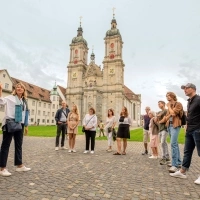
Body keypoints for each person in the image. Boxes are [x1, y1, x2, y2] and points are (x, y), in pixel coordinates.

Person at [170, 83, 200, 184]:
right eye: (184, 89)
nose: (185, 90)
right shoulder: (189, 101)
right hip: (190, 130)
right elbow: (190, 115)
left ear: (193, 89)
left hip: (198, 129)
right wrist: (186, 124)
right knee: (187, 151)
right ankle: (182, 171)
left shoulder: (198, 99)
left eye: (187, 88)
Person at [0, 82, 31, 176]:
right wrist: (0, 90)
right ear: (15, 89)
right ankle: (2, 168)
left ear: (24, 90)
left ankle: (19, 165)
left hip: (20, 124)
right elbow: (1, 101)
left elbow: (25, 114)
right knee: (5, 145)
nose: (19, 88)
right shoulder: (10, 98)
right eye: (18, 86)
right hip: (10, 122)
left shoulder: (24, 101)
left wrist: (26, 125)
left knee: (19, 145)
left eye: (21, 87)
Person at [162, 92, 183, 173]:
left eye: (168, 95)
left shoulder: (178, 104)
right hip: (169, 126)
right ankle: (178, 162)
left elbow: (173, 113)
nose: (167, 97)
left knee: (173, 144)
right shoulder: (169, 106)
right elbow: (167, 116)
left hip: (175, 125)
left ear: (173, 96)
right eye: (166, 96)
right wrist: (169, 113)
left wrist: (169, 107)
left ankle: (174, 165)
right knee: (175, 144)